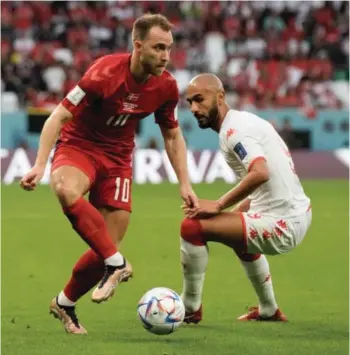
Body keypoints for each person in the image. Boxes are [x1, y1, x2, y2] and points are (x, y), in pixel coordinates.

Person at [20, 14, 198, 335]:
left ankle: (65, 303)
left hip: (117, 159)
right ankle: (117, 264)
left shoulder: (167, 86)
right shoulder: (103, 74)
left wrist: (185, 183)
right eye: (158, 48)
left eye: (169, 48)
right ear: (138, 45)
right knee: (64, 189)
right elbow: (59, 116)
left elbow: (172, 135)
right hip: (80, 147)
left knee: (107, 242)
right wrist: (39, 163)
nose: (165, 56)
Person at [180, 73, 312, 323]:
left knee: (191, 227)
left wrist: (219, 205)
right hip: (295, 211)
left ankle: (189, 307)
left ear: (220, 97)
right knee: (237, 228)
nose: (194, 108)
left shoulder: (233, 131)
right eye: (190, 102)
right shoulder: (244, 121)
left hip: (283, 222)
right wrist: (233, 210)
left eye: (199, 99)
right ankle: (268, 309)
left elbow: (261, 172)